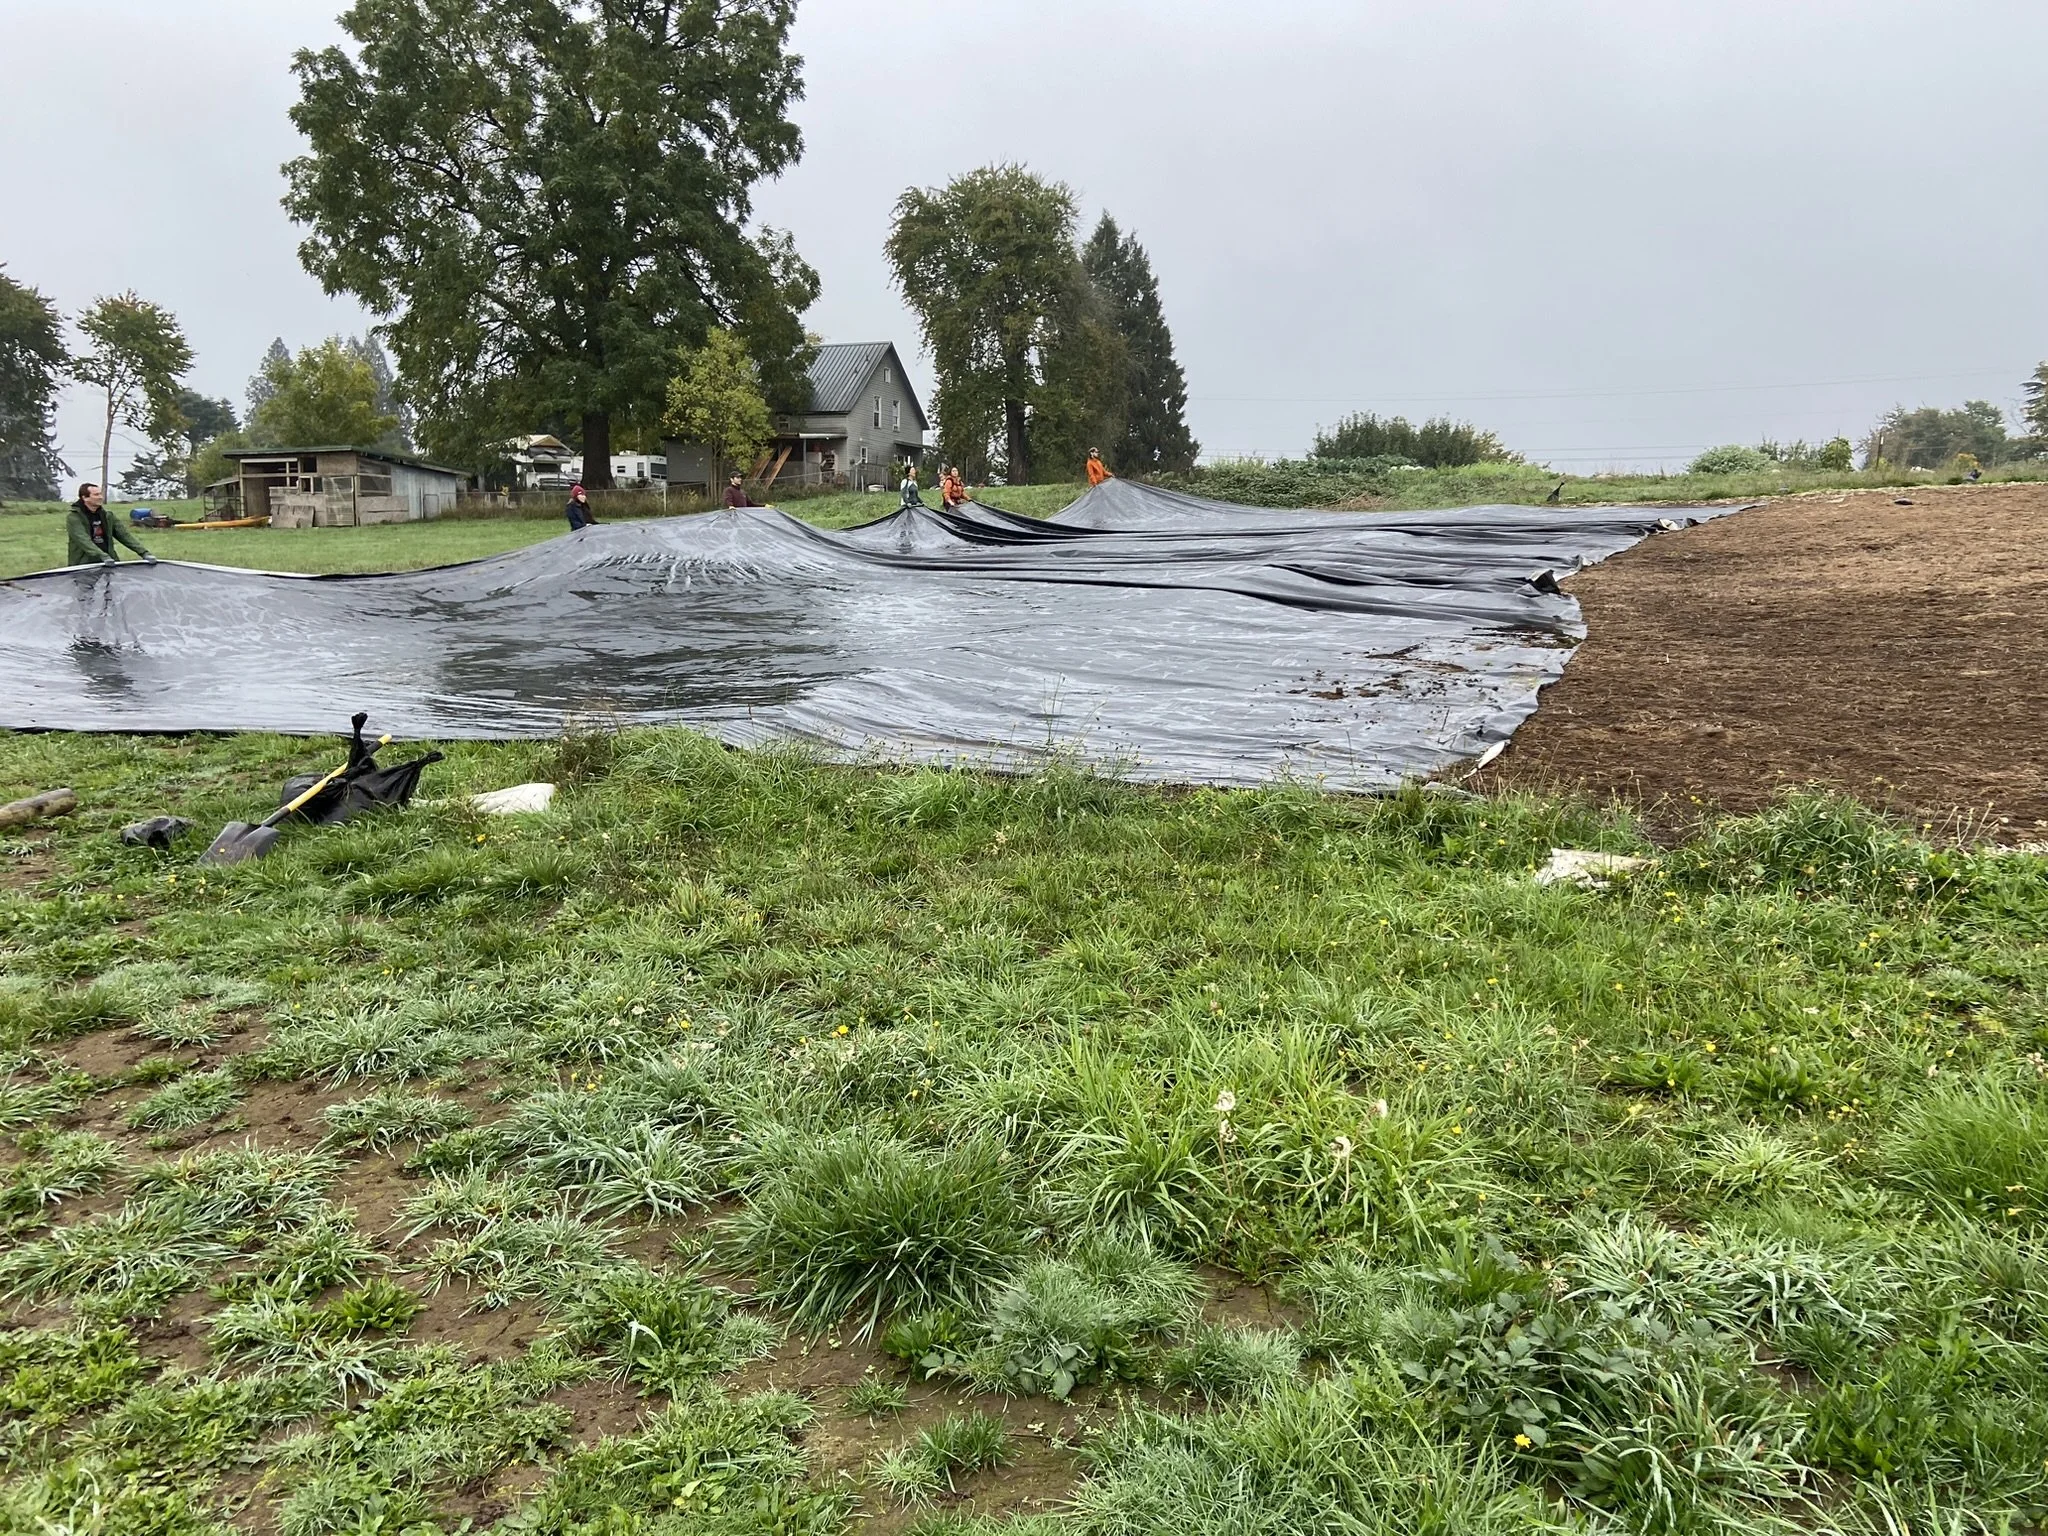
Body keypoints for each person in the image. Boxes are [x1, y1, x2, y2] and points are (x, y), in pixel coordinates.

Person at [67, 483, 156, 567]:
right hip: (83, 565)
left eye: (100, 494)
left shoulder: (108, 516)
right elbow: (83, 540)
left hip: (109, 562)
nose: (100, 497)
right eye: (96, 495)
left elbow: (125, 536)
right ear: (84, 498)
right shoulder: (74, 517)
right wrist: (102, 556)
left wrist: (144, 553)